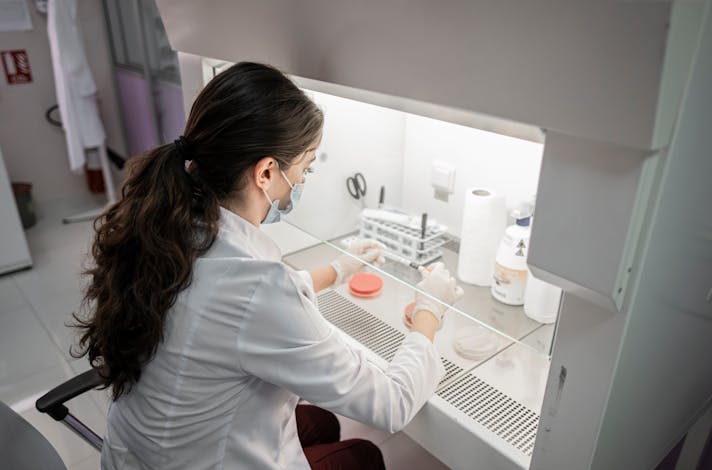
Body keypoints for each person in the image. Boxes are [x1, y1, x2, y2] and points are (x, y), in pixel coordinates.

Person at [74, 62, 464, 470]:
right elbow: (390, 404)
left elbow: (221, 303)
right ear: (265, 172)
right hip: (191, 460)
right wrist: (429, 311)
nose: (305, 179)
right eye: (306, 167)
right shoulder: (256, 286)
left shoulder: (169, 227)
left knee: (319, 422)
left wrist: (336, 271)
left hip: (142, 452)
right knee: (363, 455)